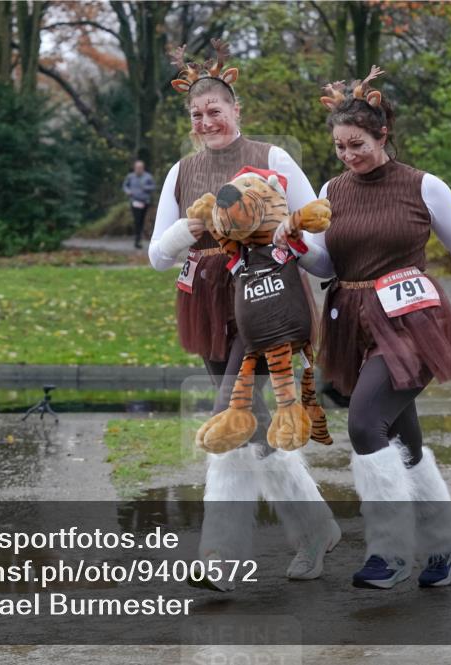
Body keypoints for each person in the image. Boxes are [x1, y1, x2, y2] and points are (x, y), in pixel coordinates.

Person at [279, 67, 451, 589]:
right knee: (402, 440)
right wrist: (293, 244)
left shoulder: (424, 185)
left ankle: (391, 550)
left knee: (364, 425)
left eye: (356, 143)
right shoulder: (332, 188)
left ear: (383, 135)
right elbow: (326, 265)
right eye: (339, 146)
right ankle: (447, 542)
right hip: (350, 323)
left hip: (412, 323)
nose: (347, 155)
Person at [147, 39, 339, 589]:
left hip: (265, 300)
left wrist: (290, 236)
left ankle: (219, 559)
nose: (207, 121)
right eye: (197, 114)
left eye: (216, 110)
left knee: (226, 421)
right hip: (205, 303)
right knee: (251, 430)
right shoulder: (181, 172)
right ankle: (317, 529)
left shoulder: (272, 158)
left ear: (236, 111)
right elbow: (159, 255)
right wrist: (193, 226)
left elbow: (320, 244)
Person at [122, 160, 156, 249]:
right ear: (134, 168)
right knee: (137, 221)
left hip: (145, 202)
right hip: (135, 202)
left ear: (143, 168)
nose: (138, 169)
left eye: (140, 168)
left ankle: (140, 238)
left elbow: (153, 187)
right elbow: (125, 186)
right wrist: (128, 191)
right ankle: (137, 240)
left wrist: (145, 188)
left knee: (142, 220)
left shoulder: (148, 177)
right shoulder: (130, 177)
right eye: (137, 168)